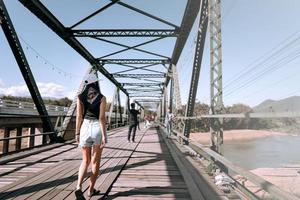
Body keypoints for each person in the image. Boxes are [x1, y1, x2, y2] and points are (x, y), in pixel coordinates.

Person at [75, 79, 107, 199]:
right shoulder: (102, 98)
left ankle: (78, 187)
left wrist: (77, 133)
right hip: (97, 128)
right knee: (95, 161)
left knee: (85, 160)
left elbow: (78, 116)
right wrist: (104, 135)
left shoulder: (80, 97)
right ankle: (91, 190)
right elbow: (102, 118)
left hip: (84, 128)